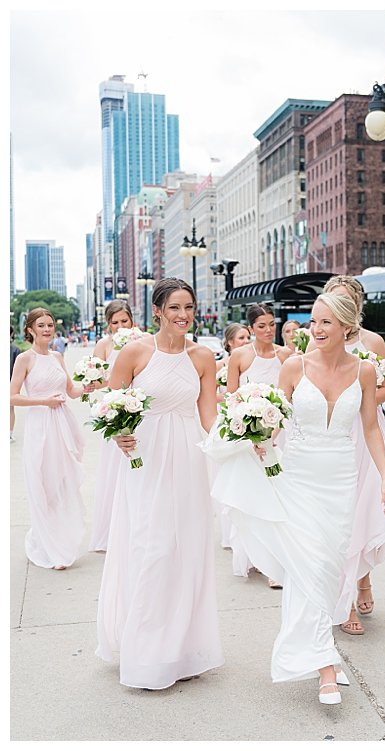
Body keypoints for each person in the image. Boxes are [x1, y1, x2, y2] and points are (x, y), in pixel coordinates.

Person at [206, 293, 385, 705]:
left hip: (341, 479)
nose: (318, 329)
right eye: (314, 321)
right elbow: (276, 418)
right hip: (299, 478)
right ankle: (326, 665)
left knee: (329, 567)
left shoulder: (364, 371)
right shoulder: (294, 367)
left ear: (347, 326)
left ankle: (314, 651)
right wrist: (261, 442)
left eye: (327, 322)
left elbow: (370, 429)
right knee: (307, 566)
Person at [96, 278, 224, 689]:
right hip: (145, 459)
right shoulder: (134, 352)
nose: (183, 315)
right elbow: (109, 406)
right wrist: (119, 434)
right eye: (175, 308)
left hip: (188, 458)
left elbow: (209, 417)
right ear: (157, 311)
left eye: (189, 307)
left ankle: (183, 650)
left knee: (185, 549)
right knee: (151, 548)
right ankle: (146, 653)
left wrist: (244, 439)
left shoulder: (203, 357)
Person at [323, 275, 385, 636]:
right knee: (338, 513)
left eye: (343, 300)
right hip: (332, 434)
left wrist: (357, 401)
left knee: (363, 509)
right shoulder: (318, 339)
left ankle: (362, 582)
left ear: (356, 305)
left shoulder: (372, 342)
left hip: (365, 431)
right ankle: (342, 596)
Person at [223, 303, 294, 585]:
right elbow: (231, 400)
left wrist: (272, 435)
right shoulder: (239, 356)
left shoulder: (286, 355)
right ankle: (255, 556)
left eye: (271, 325)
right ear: (251, 328)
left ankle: (277, 562)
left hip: (279, 435)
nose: (268, 330)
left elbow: (289, 398)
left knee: (278, 498)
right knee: (252, 498)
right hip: (248, 438)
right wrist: (250, 433)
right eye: (261, 326)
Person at [12, 308, 86, 570]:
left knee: (61, 483)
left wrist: (92, 384)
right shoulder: (24, 358)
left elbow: (72, 391)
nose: (47, 329)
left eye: (50, 325)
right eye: (41, 325)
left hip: (62, 425)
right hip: (39, 425)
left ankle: (58, 538)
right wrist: (44, 401)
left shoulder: (57, 356)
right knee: (43, 483)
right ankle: (47, 544)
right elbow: (11, 396)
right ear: (30, 329)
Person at [86, 300, 136, 552]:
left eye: (124, 321)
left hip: (139, 410)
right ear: (108, 325)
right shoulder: (103, 346)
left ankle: (136, 527)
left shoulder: (141, 341)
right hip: (115, 412)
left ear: (132, 321)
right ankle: (112, 531)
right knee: (114, 471)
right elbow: (96, 380)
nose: (120, 326)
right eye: (114, 322)